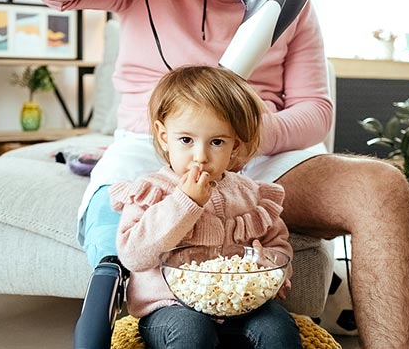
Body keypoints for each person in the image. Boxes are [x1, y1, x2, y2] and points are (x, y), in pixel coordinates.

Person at [24, 0, 409, 349]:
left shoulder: (292, 5)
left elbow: (316, 112)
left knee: (383, 186)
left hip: (263, 158)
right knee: (118, 227)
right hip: (155, 149)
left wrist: (247, 133)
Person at [109, 65, 300, 348]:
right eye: (186, 140)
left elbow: (278, 245)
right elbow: (134, 256)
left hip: (241, 306)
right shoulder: (152, 191)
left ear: (234, 145)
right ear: (164, 136)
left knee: (278, 329)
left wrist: (271, 266)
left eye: (217, 142)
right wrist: (184, 203)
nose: (201, 156)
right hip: (169, 307)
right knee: (192, 332)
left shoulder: (250, 194)